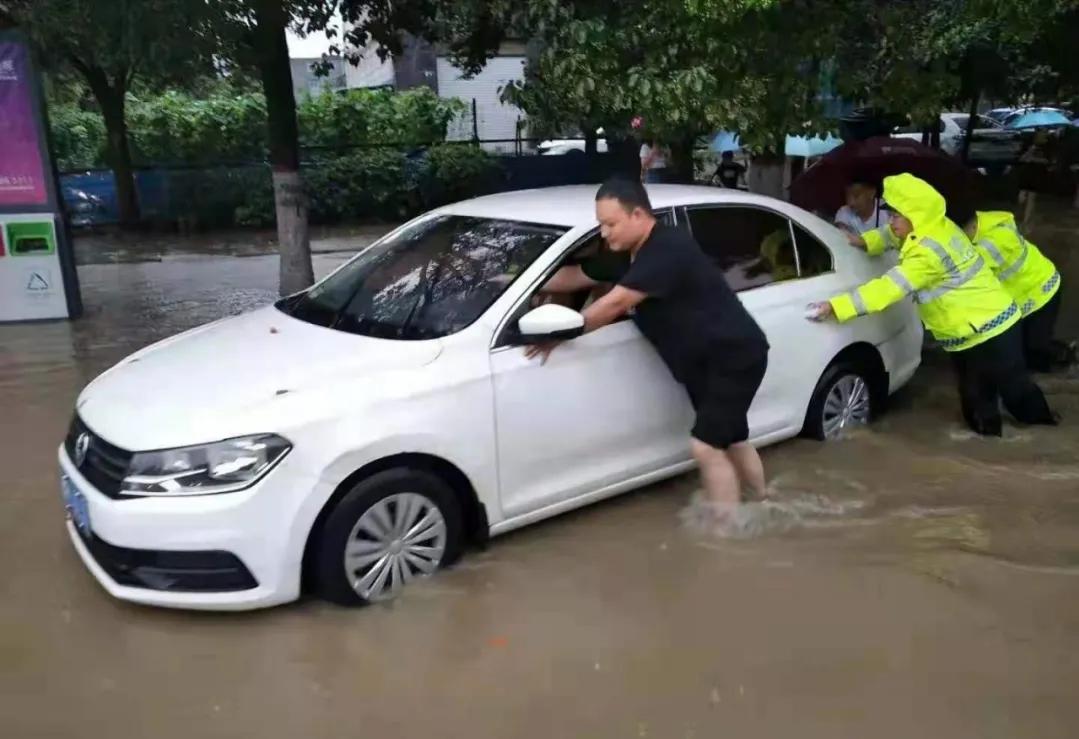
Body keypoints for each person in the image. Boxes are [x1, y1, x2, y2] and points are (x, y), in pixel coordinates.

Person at [528, 178, 770, 516]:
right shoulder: (624, 254)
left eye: (610, 224)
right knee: (733, 438)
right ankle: (763, 504)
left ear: (638, 215)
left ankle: (724, 535)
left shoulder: (667, 247)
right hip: (702, 363)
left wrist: (568, 330)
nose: (604, 233)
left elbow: (615, 303)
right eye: (601, 225)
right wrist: (506, 280)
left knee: (706, 447)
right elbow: (573, 278)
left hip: (733, 357)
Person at [808, 173, 1056, 437]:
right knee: (975, 397)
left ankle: (1045, 432)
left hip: (993, 328)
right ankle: (991, 443)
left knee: (1016, 390)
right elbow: (891, 235)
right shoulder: (931, 225)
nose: (891, 222)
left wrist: (837, 306)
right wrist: (865, 241)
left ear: (914, 216)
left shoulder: (928, 253)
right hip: (964, 334)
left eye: (896, 216)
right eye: (890, 215)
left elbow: (888, 289)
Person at [951, 205, 1063, 372]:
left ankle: (1064, 357)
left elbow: (967, 274)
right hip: (1031, 291)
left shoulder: (992, 243)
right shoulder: (988, 222)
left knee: (1034, 350)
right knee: (1024, 346)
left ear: (973, 226)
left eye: (961, 233)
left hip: (1042, 293)